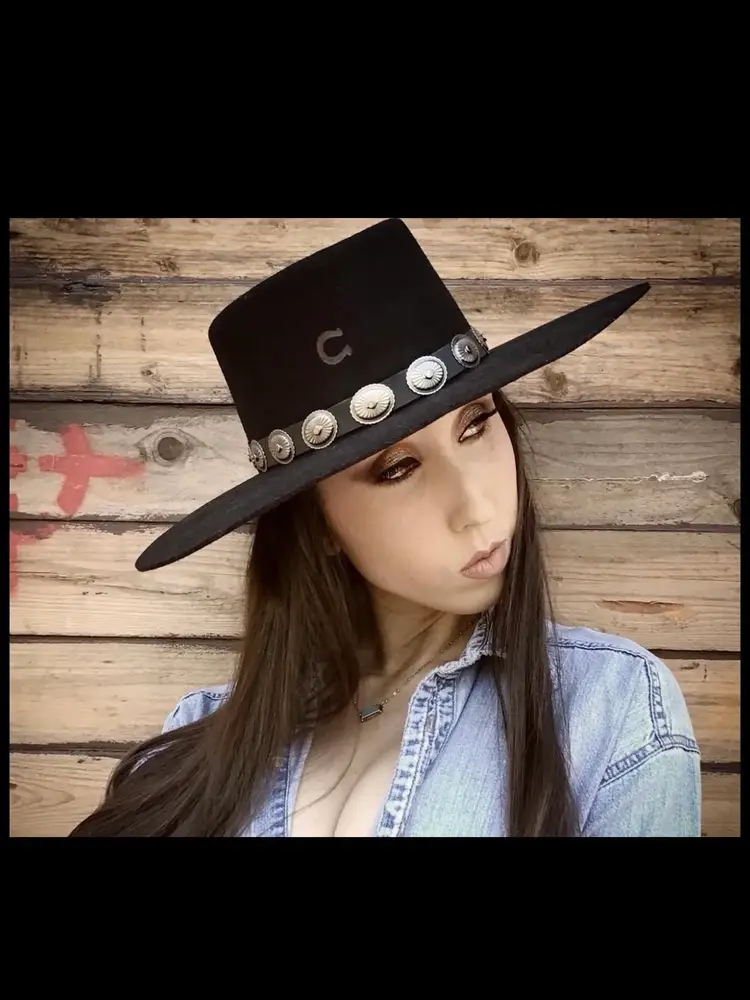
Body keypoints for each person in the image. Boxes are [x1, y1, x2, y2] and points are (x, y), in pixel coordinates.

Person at [69, 218, 700, 837]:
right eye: (398, 469)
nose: (476, 508)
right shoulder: (188, 754)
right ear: (317, 524)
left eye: (475, 425)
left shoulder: (609, 707)